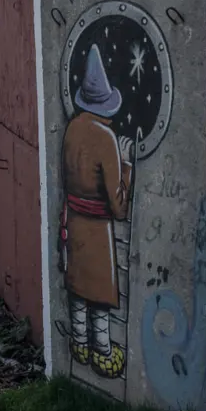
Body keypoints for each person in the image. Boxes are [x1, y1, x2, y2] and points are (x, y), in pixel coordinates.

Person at [59, 44, 133, 378]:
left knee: (78, 287)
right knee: (99, 292)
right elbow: (118, 206)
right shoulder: (107, 138)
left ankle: (79, 343)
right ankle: (103, 351)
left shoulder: (72, 128)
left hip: (73, 221)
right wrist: (126, 165)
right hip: (97, 227)